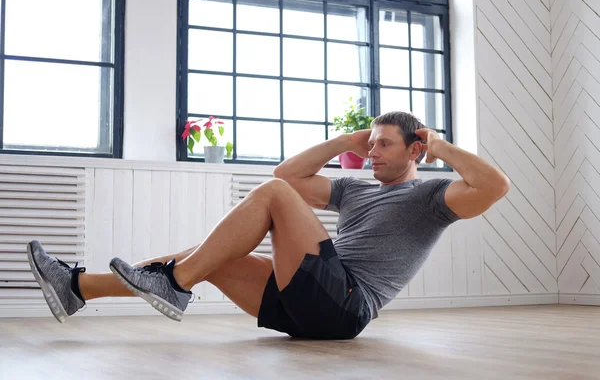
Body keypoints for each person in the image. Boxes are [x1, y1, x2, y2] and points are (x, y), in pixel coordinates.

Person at [27, 111, 510, 339]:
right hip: (306, 308)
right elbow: (289, 174)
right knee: (204, 255)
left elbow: (495, 186)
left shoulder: (430, 195)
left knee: (267, 200)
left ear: (414, 150)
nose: (373, 152)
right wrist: (345, 137)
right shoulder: (355, 188)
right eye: (372, 143)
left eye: (384, 144)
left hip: (346, 305)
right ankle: (78, 287)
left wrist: (440, 146)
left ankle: (172, 284)